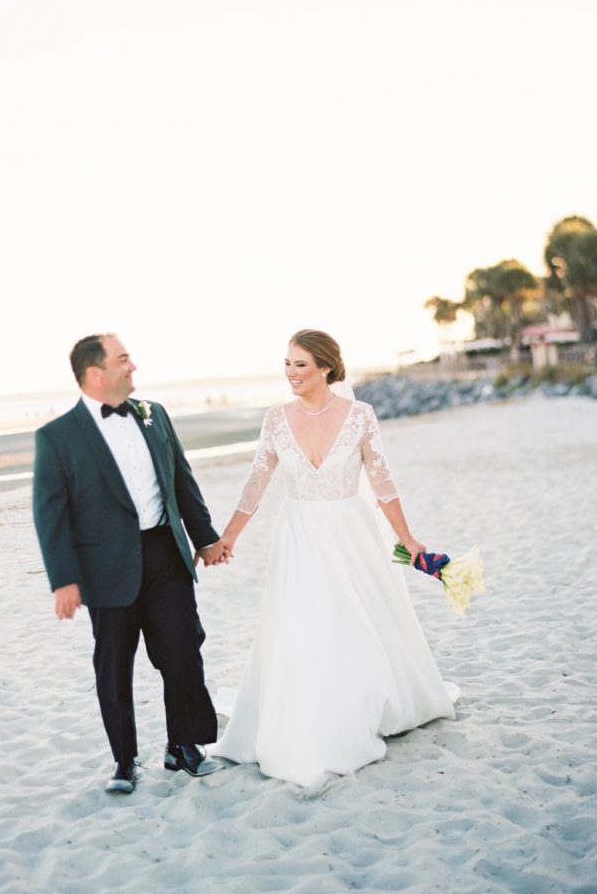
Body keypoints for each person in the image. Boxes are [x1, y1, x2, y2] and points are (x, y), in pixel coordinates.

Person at [211, 329, 458, 787]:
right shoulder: (275, 420)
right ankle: (308, 710)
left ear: (326, 367)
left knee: (355, 619)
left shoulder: (360, 416)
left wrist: (408, 538)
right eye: (286, 364)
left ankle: (360, 703)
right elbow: (256, 484)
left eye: (300, 365)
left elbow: (383, 484)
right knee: (304, 622)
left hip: (351, 531)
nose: (291, 374)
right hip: (299, 534)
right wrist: (228, 538)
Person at [33, 333, 229, 793]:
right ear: (95, 373)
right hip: (105, 569)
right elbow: (51, 514)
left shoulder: (154, 414)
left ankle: (183, 746)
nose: (133, 367)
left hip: (165, 552)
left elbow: (182, 479)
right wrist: (63, 580)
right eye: (123, 360)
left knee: (183, 651)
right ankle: (124, 760)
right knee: (114, 667)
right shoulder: (58, 437)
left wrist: (206, 539)